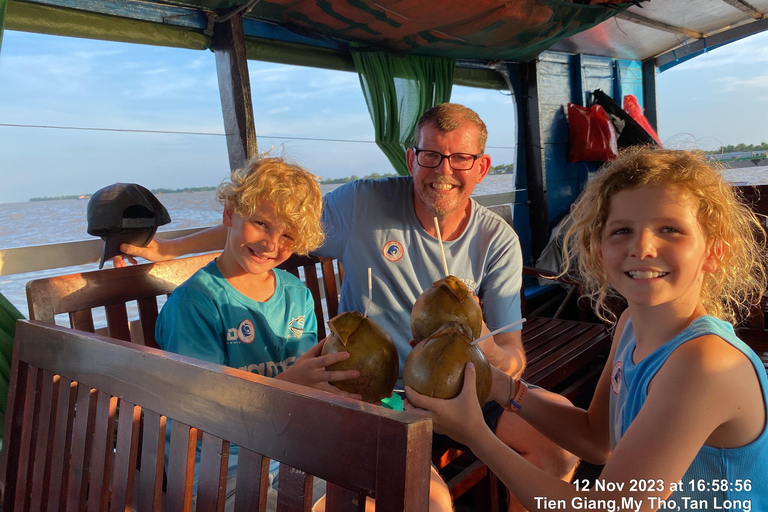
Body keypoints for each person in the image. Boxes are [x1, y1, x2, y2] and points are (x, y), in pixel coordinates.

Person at [119, 104, 578, 509]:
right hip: (379, 397)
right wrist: (167, 248)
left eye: (460, 158)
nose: (443, 170)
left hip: (461, 392)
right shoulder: (363, 202)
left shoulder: (496, 239)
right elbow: (273, 219)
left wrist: (491, 350)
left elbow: (511, 352)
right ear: (411, 158)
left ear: (482, 166)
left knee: (559, 449)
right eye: (431, 155)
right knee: (424, 496)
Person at [406, 147, 768, 511]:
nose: (641, 247)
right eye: (622, 230)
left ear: (714, 253)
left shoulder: (706, 364)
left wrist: (475, 434)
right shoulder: (630, 326)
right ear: (598, 251)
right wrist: (497, 384)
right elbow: (597, 439)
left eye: (670, 229)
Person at [156, 156, 361, 510]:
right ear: (230, 214)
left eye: (287, 235)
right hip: (221, 469)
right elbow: (202, 411)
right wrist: (288, 384)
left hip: (292, 454)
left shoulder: (296, 295)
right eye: (260, 223)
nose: (270, 244)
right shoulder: (196, 303)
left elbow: (310, 390)